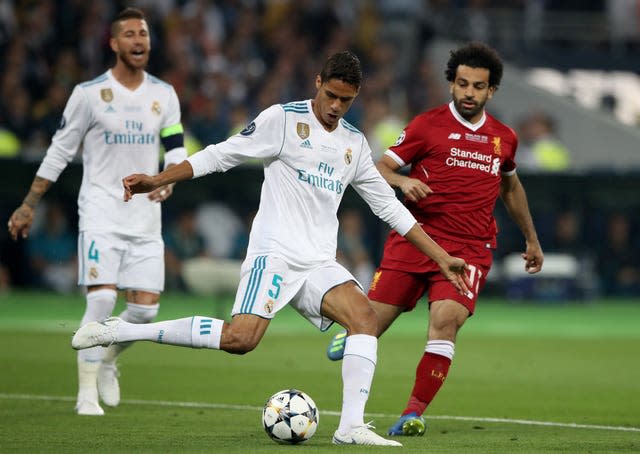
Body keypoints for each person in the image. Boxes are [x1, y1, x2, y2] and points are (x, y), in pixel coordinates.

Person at [72, 50, 470, 446]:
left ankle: (350, 427)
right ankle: (125, 329)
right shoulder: (282, 120)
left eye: (345, 100)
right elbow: (221, 154)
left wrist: (440, 257)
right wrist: (158, 178)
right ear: (318, 82)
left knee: (364, 320)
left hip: (317, 261)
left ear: (356, 96)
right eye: (330, 95)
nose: (335, 106)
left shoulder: (353, 142)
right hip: (274, 254)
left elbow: (387, 205)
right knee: (240, 340)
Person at [325, 42, 544, 436]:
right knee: (369, 323)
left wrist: (531, 238)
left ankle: (412, 413)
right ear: (451, 84)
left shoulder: (503, 139)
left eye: (478, 86)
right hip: (415, 238)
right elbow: (379, 169)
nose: (469, 93)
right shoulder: (427, 125)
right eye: (462, 83)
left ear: (491, 91)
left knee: (445, 322)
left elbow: (511, 188)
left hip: (469, 248)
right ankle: (357, 333)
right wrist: (404, 180)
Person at [7, 7, 187, 416]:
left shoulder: (164, 94)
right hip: (101, 212)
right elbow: (59, 152)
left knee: (145, 310)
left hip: (145, 219)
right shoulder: (89, 94)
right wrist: (29, 202)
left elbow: (176, 146)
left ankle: (108, 360)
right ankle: (85, 393)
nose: (138, 40)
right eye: (129, 34)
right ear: (113, 43)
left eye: (143, 33)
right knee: (104, 299)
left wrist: (169, 178)